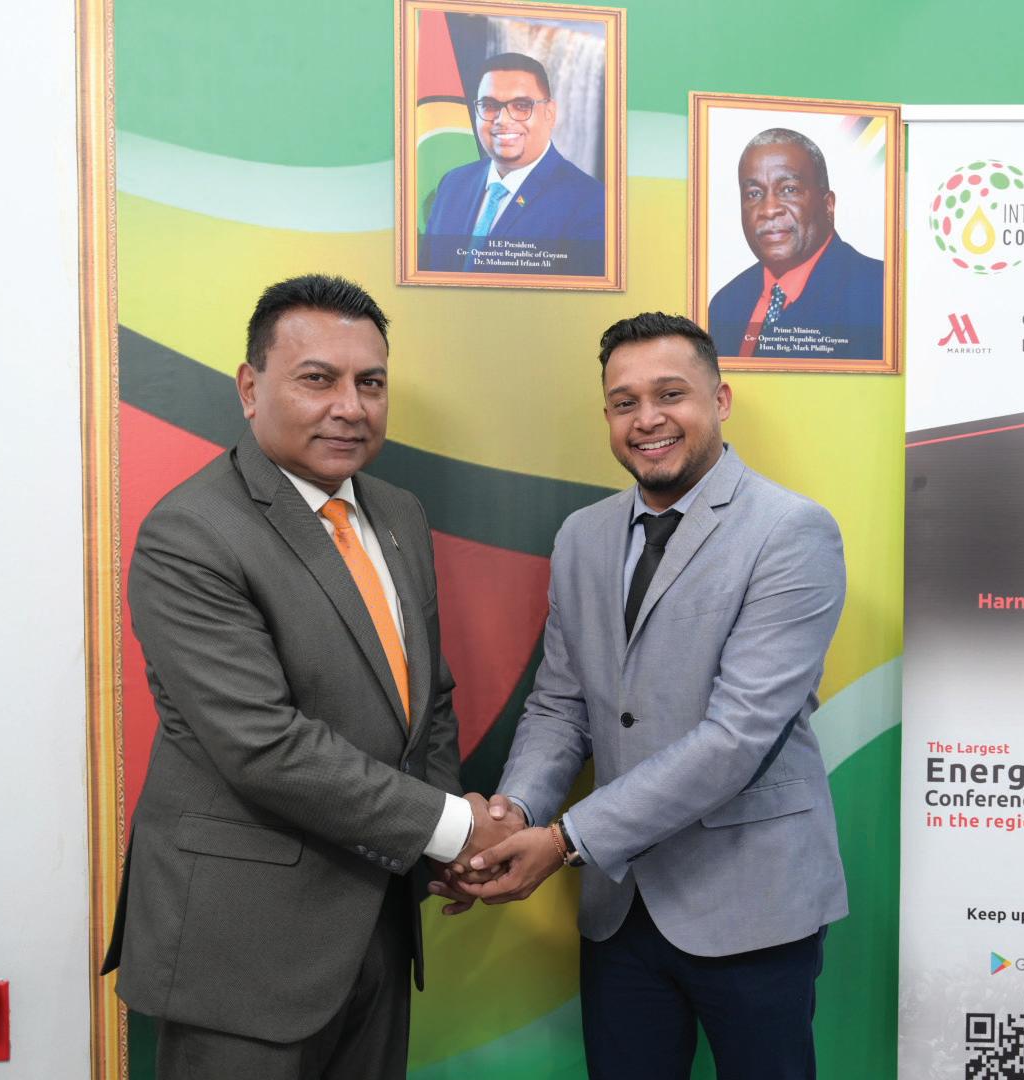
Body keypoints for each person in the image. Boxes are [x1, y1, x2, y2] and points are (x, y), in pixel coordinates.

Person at [99, 274, 516, 1078]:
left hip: (378, 931)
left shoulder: (398, 513)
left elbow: (427, 701)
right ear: (250, 388)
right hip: (243, 952)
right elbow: (263, 746)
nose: (350, 407)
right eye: (318, 379)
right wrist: (455, 827)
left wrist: (439, 850)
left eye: (371, 383)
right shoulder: (191, 532)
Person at [452, 312, 848, 1078]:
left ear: (720, 399)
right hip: (620, 909)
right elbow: (560, 704)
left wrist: (565, 840)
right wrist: (512, 817)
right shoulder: (583, 536)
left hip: (753, 903)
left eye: (671, 394)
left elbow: (737, 738)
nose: (647, 419)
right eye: (624, 402)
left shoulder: (791, 531)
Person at [707, 127, 885, 361]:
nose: (769, 209)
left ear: (828, 205)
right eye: (754, 193)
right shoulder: (725, 304)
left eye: (789, 190)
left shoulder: (881, 293)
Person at [421, 52, 606, 276]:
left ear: (550, 113)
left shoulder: (591, 202)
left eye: (521, 106)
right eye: (489, 105)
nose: (503, 120)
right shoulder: (453, 183)